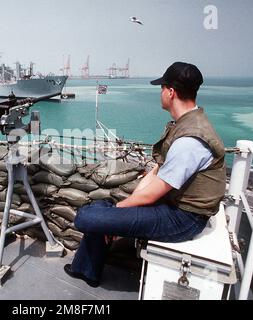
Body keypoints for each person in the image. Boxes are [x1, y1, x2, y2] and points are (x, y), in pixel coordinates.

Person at [63, 62, 227, 287]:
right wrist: (118, 217)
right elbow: (156, 172)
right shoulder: (187, 124)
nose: (160, 93)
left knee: (85, 217)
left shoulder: (190, 140)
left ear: (171, 92)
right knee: (103, 208)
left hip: (184, 219)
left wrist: (116, 216)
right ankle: (86, 270)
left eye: (162, 88)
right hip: (174, 207)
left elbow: (151, 196)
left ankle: (88, 267)